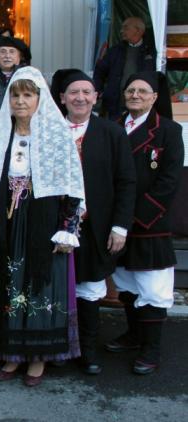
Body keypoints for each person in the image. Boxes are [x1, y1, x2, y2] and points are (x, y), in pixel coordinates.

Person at [0, 66, 85, 387]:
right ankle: (11, 352)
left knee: (40, 287)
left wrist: (68, 226)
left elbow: (72, 185)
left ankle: (37, 358)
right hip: (8, 221)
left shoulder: (55, 136)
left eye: (28, 95)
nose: (20, 101)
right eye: (15, 94)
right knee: (9, 284)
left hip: (43, 221)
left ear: (40, 98)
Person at [50, 69, 136, 375]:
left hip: (95, 227)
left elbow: (126, 181)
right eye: (74, 92)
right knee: (57, 288)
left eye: (87, 92)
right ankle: (56, 349)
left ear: (96, 97)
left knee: (88, 290)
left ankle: (87, 351)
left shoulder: (111, 132)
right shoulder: (49, 130)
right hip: (54, 227)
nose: (80, 97)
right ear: (62, 98)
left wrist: (119, 226)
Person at [106, 71, 184, 375]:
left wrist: (134, 219)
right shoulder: (111, 128)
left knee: (152, 289)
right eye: (130, 90)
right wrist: (114, 221)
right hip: (115, 223)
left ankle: (151, 349)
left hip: (149, 224)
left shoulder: (169, 131)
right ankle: (134, 335)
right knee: (125, 284)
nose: (135, 95)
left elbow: (168, 181)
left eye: (142, 91)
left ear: (154, 97)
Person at [93, 17, 156, 120]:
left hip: (141, 104)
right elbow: (99, 71)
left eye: (126, 28)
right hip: (115, 104)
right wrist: (98, 92)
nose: (122, 31)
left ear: (138, 30)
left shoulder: (151, 52)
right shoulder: (115, 51)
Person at [0, 37, 30, 113]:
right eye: (3, 51)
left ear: (19, 57)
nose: (7, 56)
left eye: (12, 52)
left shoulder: (29, 79)